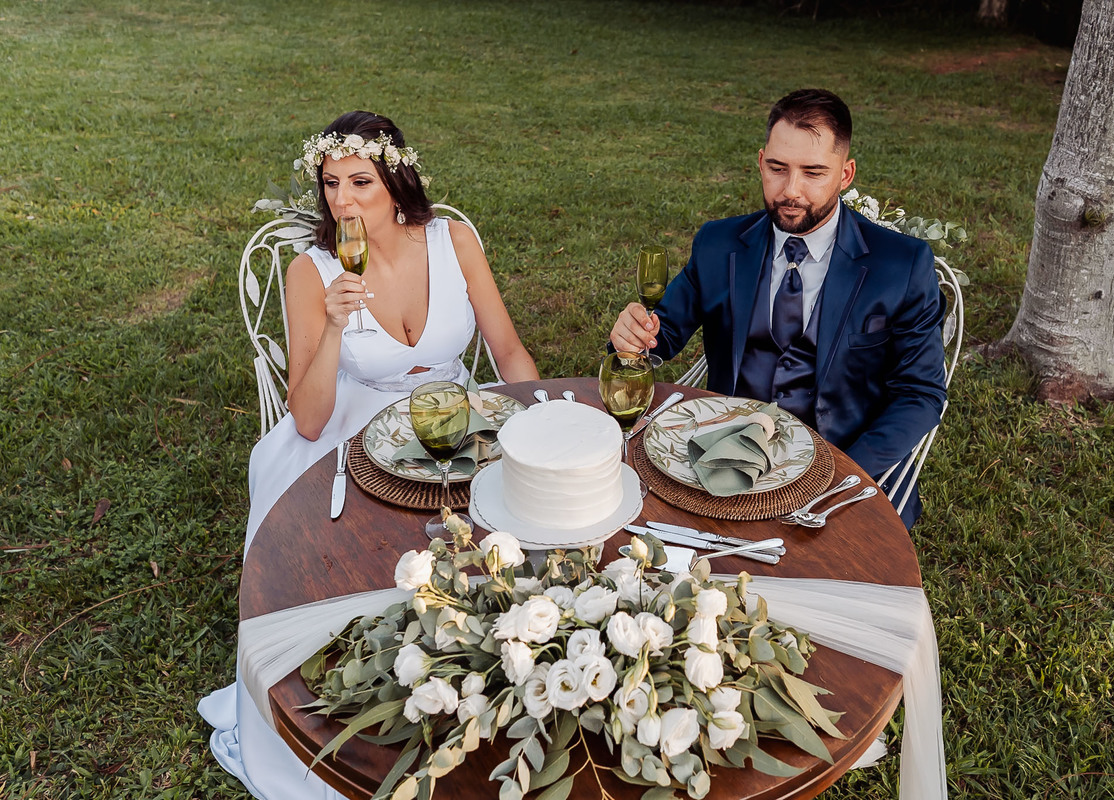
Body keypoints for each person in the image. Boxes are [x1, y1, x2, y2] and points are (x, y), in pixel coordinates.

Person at [199, 110, 539, 799]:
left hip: (453, 412)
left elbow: (506, 352)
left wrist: (536, 428)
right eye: (330, 184)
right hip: (352, 415)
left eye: (360, 181)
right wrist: (329, 324)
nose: (343, 200)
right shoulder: (311, 270)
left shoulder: (454, 239)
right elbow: (310, 413)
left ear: (395, 179)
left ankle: (482, 674)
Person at [609, 89, 946, 529]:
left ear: (845, 174)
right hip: (723, 455)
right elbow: (661, 333)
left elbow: (920, 394)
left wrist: (846, 472)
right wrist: (633, 337)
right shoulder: (719, 244)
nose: (791, 191)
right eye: (777, 169)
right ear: (760, 161)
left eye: (813, 173)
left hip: (842, 463)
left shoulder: (900, 265)